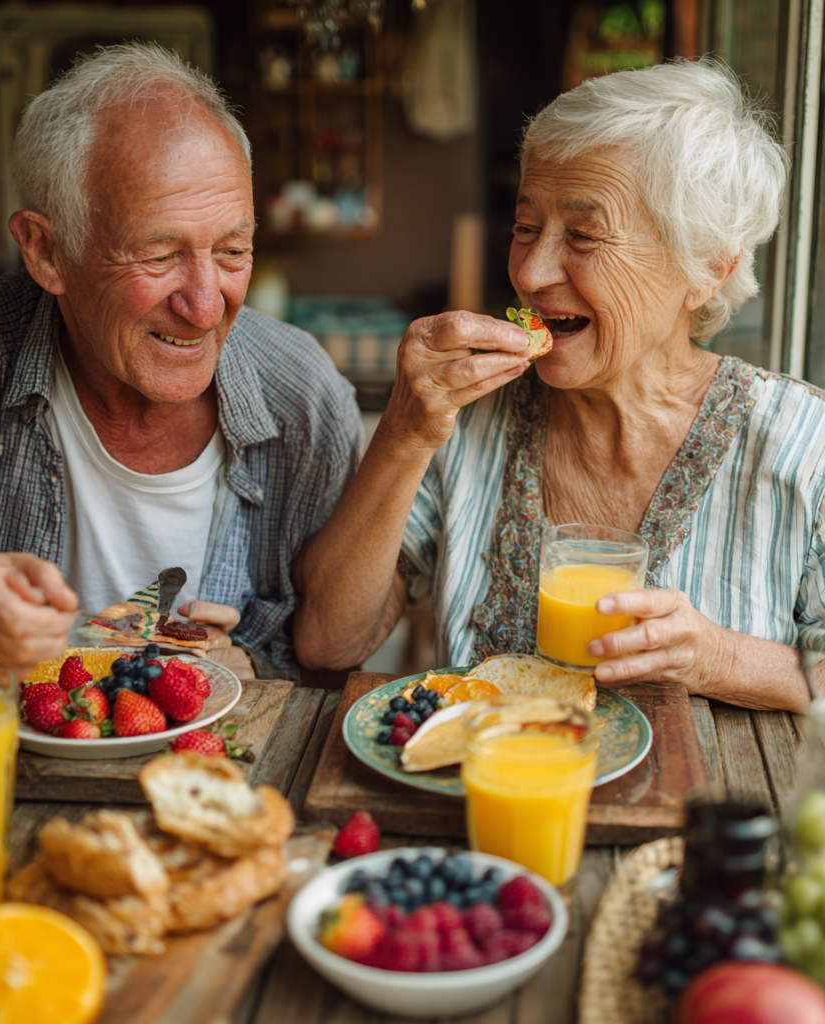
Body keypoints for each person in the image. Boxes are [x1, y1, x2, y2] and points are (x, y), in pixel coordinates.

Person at [0, 43, 361, 687]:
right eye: (158, 257)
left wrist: (253, 672)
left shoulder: (303, 394)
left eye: (233, 250)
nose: (207, 308)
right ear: (46, 252)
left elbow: (336, 666)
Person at [293, 57, 825, 713]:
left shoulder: (808, 446)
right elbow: (327, 642)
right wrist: (404, 433)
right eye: (524, 227)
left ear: (708, 267)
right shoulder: (468, 415)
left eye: (583, 234)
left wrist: (720, 658)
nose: (532, 271)